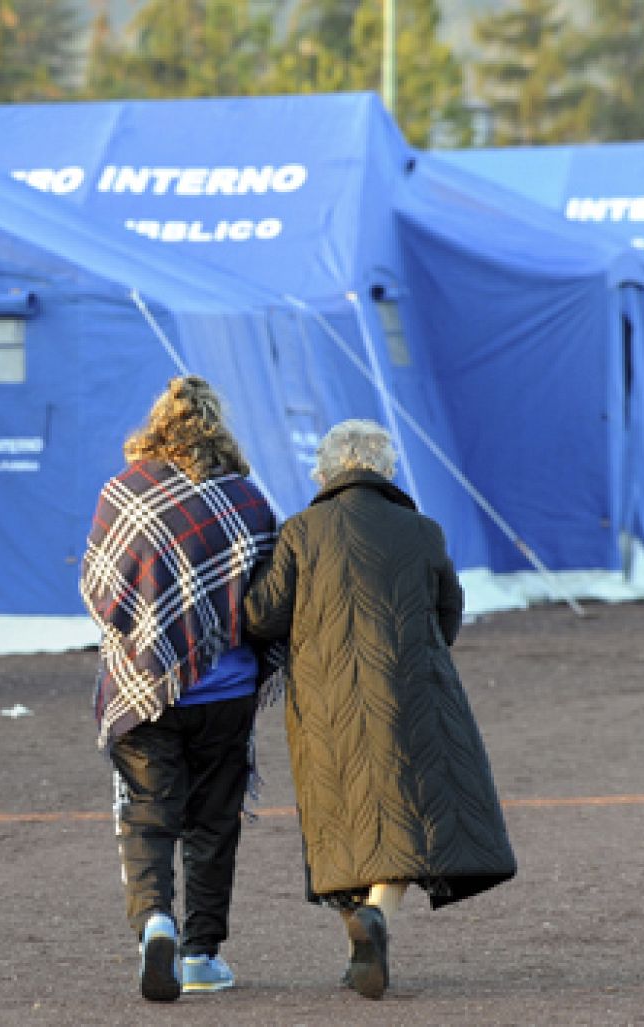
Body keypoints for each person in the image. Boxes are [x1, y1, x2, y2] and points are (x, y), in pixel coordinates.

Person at [244, 419, 517, 1000]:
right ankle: (375, 924)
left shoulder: (301, 530)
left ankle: (362, 937)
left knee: (343, 812)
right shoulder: (423, 531)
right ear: (384, 470)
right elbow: (446, 618)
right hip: (412, 689)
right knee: (404, 813)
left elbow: (262, 615)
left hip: (326, 697)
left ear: (326, 472)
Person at [79, 375, 280, 1003]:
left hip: (143, 689)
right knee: (214, 823)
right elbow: (269, 599)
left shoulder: (124, 493)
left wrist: (146, 641)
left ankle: (154, 925)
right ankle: (200, 955)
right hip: (226, 692)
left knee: (146, 814)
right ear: (218, 427)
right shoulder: (247, 499)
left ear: (159, 423)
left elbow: (99, 587)